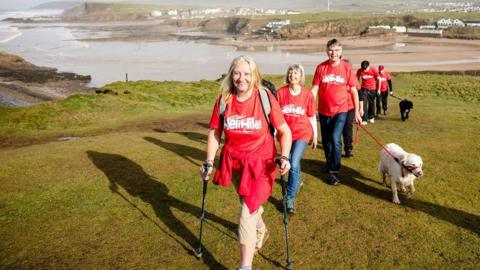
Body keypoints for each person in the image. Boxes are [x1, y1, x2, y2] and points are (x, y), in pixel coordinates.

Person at [200, 55, 292, 270]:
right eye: (237, 73)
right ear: (231, 75)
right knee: (248, 205)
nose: (242, 78)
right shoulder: (224, 100)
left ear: (255, 76)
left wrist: (285, 156)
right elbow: (215, 131)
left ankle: (245, 266)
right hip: (235, 163)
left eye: (247, 74)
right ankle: (260, 229)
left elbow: (284, 131)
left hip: (262, 163)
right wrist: (209, 162)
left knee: (246, 211)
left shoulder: (265, 98)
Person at [311, 39, 362, 185]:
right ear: (327, 51)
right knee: (326, 141)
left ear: (341, 52)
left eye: (337, 50)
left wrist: (357, 112)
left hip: (341, 110)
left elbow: (354, 91)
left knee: (335, 138)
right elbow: (314, 89)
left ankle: (334, 172)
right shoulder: (321, 67)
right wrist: (310, 107)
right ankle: (329, 163)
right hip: (323, 110)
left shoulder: (346, 68)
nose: (334, 53)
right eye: (331, 50)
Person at [276, 64, 317, 213]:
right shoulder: (280, 93)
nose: (293, 75)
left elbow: (312, 116)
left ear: (301, 77)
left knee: (292, 161)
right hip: (285, 134)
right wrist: (274, 132)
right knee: (295, 161)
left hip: (302, 133)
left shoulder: (307, 95)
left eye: (296, 73)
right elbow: (275, 115)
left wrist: (316, 135)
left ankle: (290, 198)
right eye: (290, 73)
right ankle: (297, 180)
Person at [341, 58, 362, 158]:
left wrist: (360, 110)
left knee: (348, 127)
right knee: (338, 129)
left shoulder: (353, 78)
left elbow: (359, 94)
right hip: (337, 108)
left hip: (350, 108)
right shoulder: (337, 77)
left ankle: (348, 148)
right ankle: (336, 147)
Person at [356, 60, 380, 124]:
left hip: (372, 89)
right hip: (364, 89)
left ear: (368, 66)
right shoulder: (360, 70)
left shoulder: (373, 70)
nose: (364, 70)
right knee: (364, 103)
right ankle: (364, 119)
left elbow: (379, 79)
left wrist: (379, 89)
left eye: (365, 68)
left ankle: (371, 117)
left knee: (371, 103)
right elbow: (357, 79)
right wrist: (357, 87)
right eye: (363, 68)